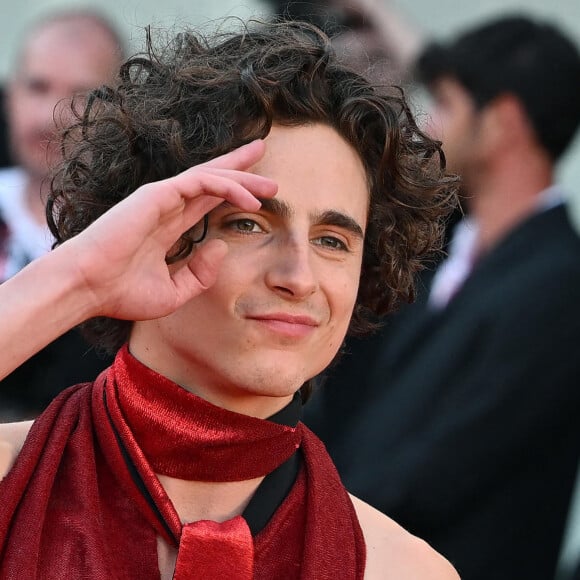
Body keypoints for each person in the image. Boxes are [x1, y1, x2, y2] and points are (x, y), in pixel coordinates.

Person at [0, 20, 459, 579]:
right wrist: (80, 279)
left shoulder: (401, 570)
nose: (299, 276)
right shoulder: (11, 480)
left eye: (333, 241)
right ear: (149, 231)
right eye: (247, 223)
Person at [304, 14, 580, 580]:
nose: (428, 126)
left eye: (447, 106)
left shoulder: (560, 285)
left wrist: (301, 520)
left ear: (503, 122)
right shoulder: (450, 247)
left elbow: (442, 463)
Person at [0, 9, 125, 418]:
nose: (50, 116)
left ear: (121, 108)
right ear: (10, 93)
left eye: (81, 95)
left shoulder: (133, 240)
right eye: (37, 86)